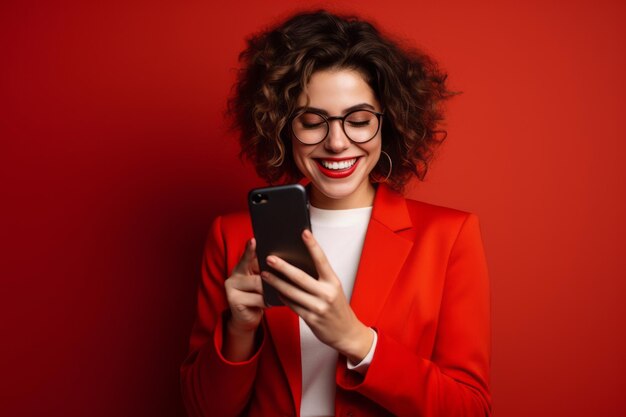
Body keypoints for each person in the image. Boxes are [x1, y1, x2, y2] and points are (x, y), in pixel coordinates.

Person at [181, 9, 491, 417]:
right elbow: (203, 411)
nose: (337, 143)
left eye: (359, 120)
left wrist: (358, 341)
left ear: (389, 123)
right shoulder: (233, 236)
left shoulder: (448, 236)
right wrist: (239, 329)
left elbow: (470, 410)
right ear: (282, 126)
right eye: (312, 122)